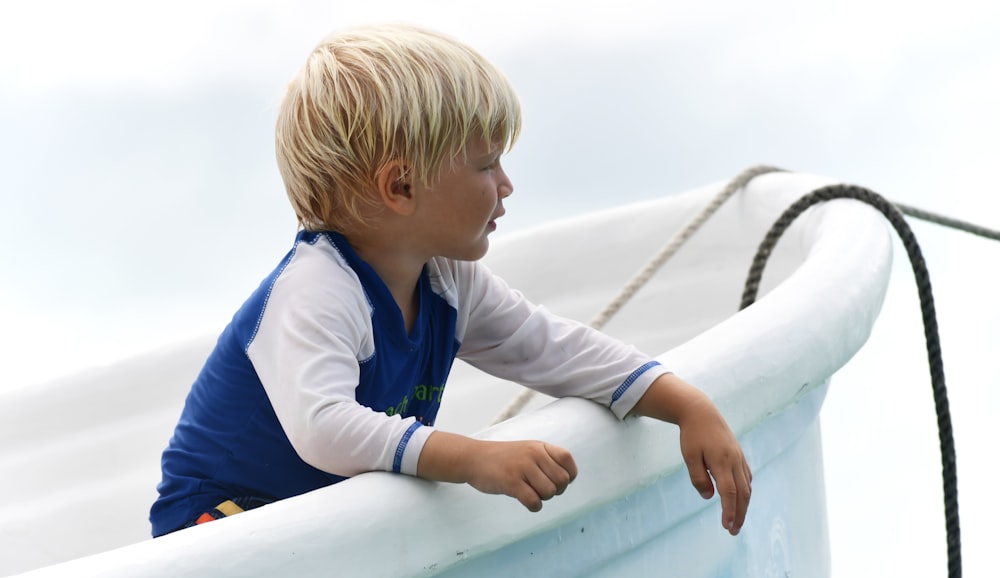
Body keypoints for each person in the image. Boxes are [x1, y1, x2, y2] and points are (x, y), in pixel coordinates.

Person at [149, 23, 752, 538]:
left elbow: (549, 348)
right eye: (487, 164)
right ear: (401, 187)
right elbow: (323, 428)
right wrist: (473, 459)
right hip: (220, 522)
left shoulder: (448, 281)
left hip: (318, 524)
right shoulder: (318, 288)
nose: (507, 185)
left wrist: (685, 403)